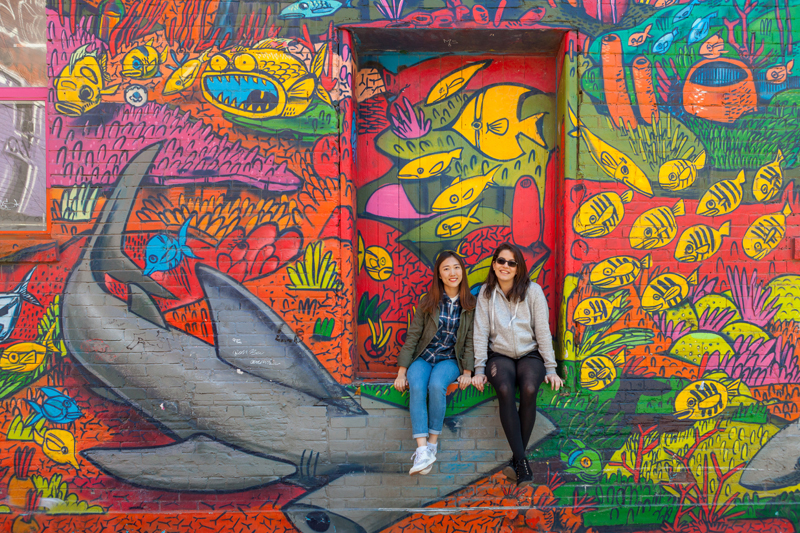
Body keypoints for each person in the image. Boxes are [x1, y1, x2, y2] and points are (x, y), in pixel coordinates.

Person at [471, 242, 564, 487]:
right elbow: (480, 332)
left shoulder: (533, 291)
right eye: (501, 261)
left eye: (512, 263)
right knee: (503, 388)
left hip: (529, 354)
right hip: (499, 355)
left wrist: (551, 368)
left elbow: (543, 331)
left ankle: (517, 460)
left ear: (518, 268)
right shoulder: (486, 294)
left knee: (530, 389)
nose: (506, 266)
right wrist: (480, 369)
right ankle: (522, 462)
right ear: (494, 264)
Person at [394, 251, 476, 475]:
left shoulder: (469, 304)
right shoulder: (429, 302)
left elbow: (470, 339)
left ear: (462, 271)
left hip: (449, 359)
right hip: (424, 357)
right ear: (439, 275)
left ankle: (432, 444)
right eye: (446, 268)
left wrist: (467, 371)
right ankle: (422, 451)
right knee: (418, 386)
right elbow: (413, 336)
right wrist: (402, 373)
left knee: (436, 385)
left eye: (456, 267)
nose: (452, 273)